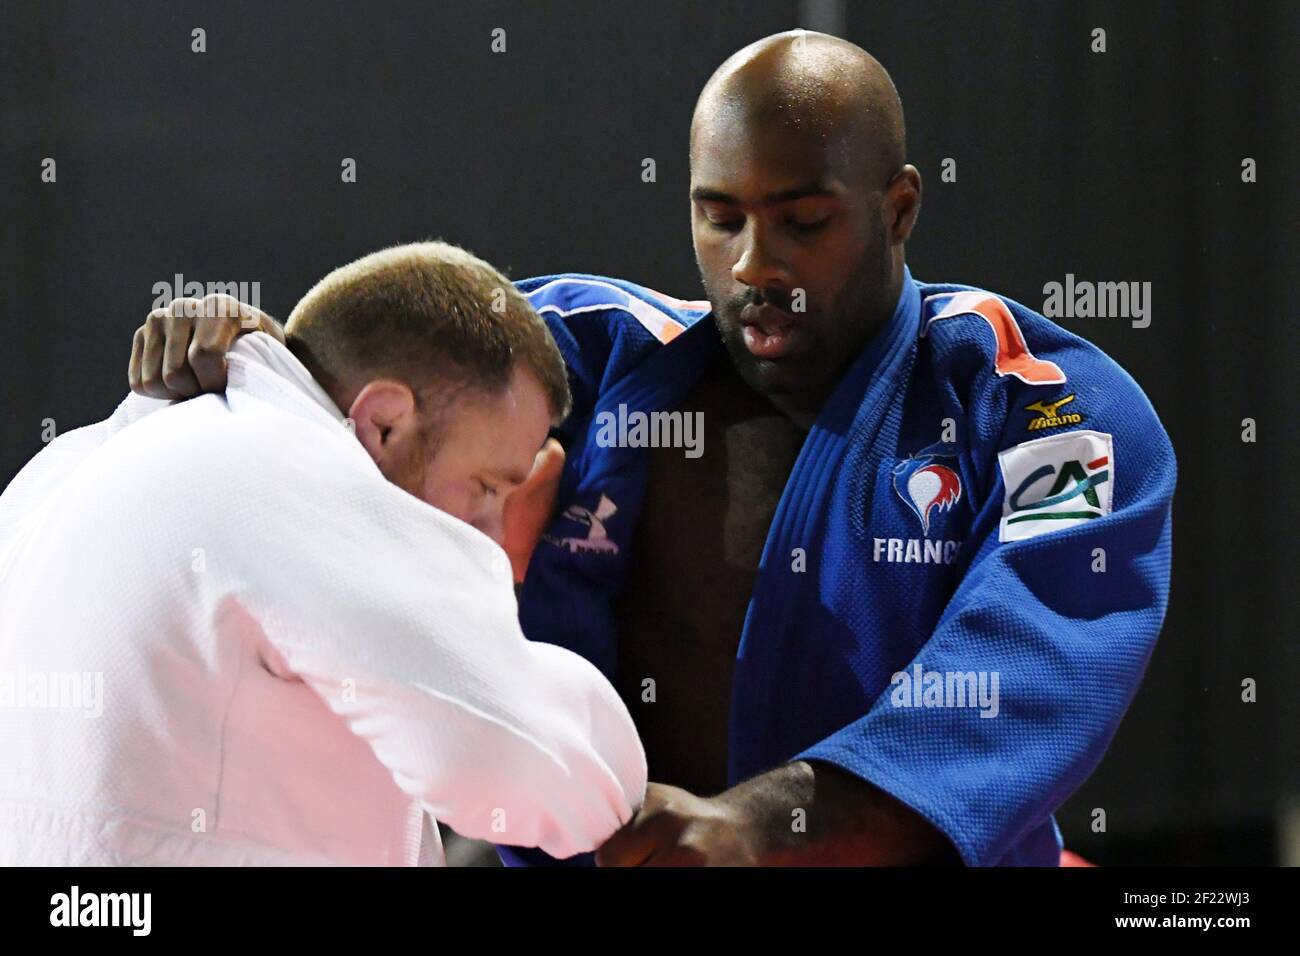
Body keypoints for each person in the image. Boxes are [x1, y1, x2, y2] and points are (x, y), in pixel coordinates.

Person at [127, 32, 1175, 866]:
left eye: (803, 219)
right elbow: (367, 397)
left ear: (897, 207)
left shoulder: (1038, 401)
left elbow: (1039, 651)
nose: (754, 264)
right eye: (718, 219)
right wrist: (253, 357)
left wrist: (764, 829)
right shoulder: (581, 355)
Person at [0, 242, 646, 866]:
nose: (491, 534)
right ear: (385, 419)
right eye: (485, 487)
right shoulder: (294, 471)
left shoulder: (67, 469)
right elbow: (519, 766)